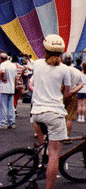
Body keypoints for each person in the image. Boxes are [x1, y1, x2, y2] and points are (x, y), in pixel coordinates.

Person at [30, 34, 71, 189]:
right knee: (55, 154)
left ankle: (41, 164)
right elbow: (66, 94)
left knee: (45, 144)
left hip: (37, 113)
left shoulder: (37, 64)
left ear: (45, 49)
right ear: (61, 52)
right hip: (54, 113)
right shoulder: (65, 70)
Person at [62, 53, 83, 136]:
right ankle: (66, 135)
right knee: (69, 117)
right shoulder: (77, 71)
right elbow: (81, 84)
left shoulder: (60, 70)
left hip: (59, 94)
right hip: (72, 95)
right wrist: (73, 92)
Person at [0, 53, 17, 129]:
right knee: (11, 106)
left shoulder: (3, 65)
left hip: (4, 87)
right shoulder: (13, 65)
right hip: (11, 87)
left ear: (1, 59)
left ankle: (3, 123)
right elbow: (15, 77)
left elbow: (2, 71)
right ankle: (12, 122)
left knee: (3, 106)